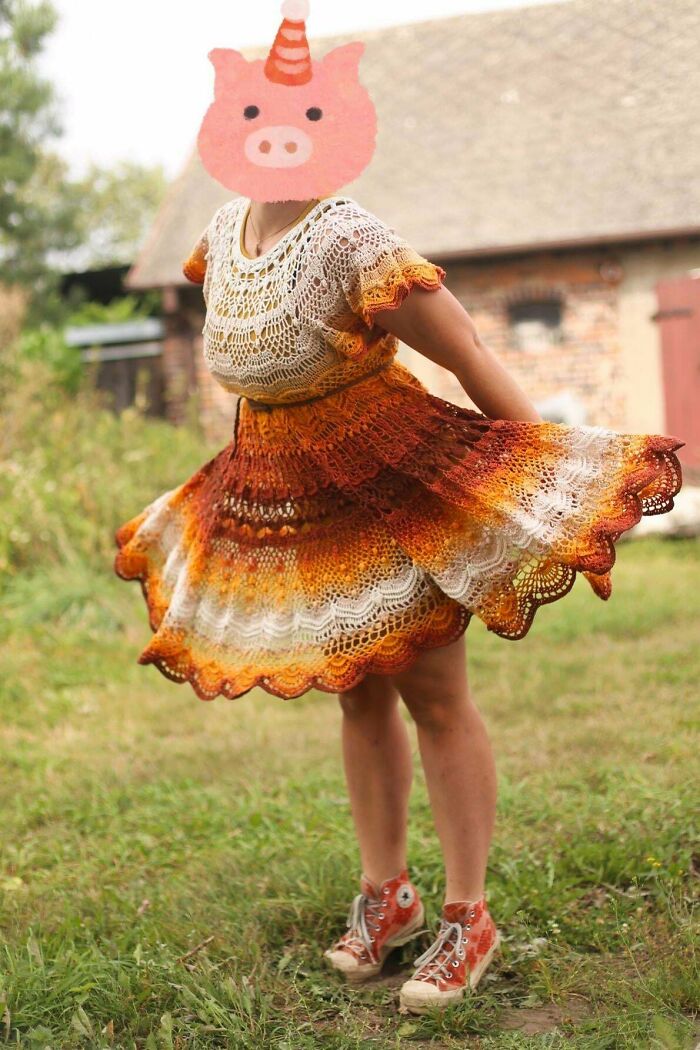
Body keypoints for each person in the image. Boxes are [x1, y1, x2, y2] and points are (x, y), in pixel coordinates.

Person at [114, 2, 684, 1017]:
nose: (275, 134)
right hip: (289, 491)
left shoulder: (351, 238)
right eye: (256, 114)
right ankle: (390, 893)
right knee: (357, 691)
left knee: (432, 693)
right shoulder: (219, 232)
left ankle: (469, 912)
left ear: (336, 123)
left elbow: (464, 351)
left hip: (390, 482)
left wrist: (535, 480)